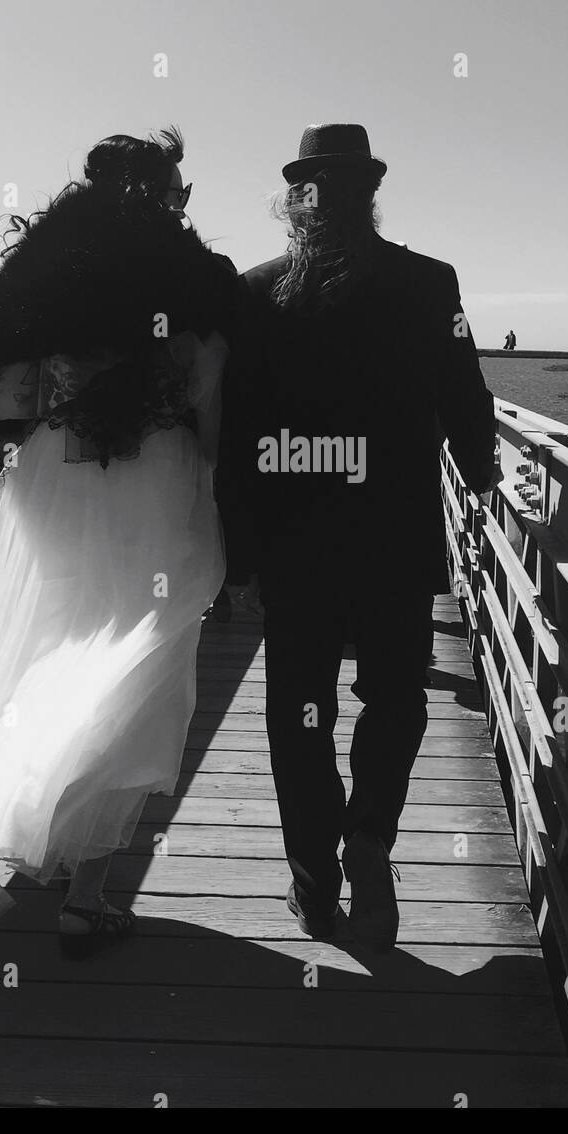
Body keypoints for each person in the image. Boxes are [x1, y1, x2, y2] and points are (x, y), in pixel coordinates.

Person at [0, 127, 238, 962]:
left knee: (44, 644)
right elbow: (207, 386)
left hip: (49, 477)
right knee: (137, 659)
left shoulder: (38, 264)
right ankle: (87, 894)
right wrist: (213, 468)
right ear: (167, 189)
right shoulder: (193, 273)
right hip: (153, 477)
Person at [216, 122, 499, 951]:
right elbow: (467, 400)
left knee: (299, 709)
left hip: (294, 542)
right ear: (369, 196)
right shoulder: (429, 282)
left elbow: (236, 435)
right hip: (399, 535)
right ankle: (370, 832)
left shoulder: (257, 292)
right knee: (395, 695)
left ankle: (313, 876)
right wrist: (479, 476)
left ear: (301, 201)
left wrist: (237, 554)